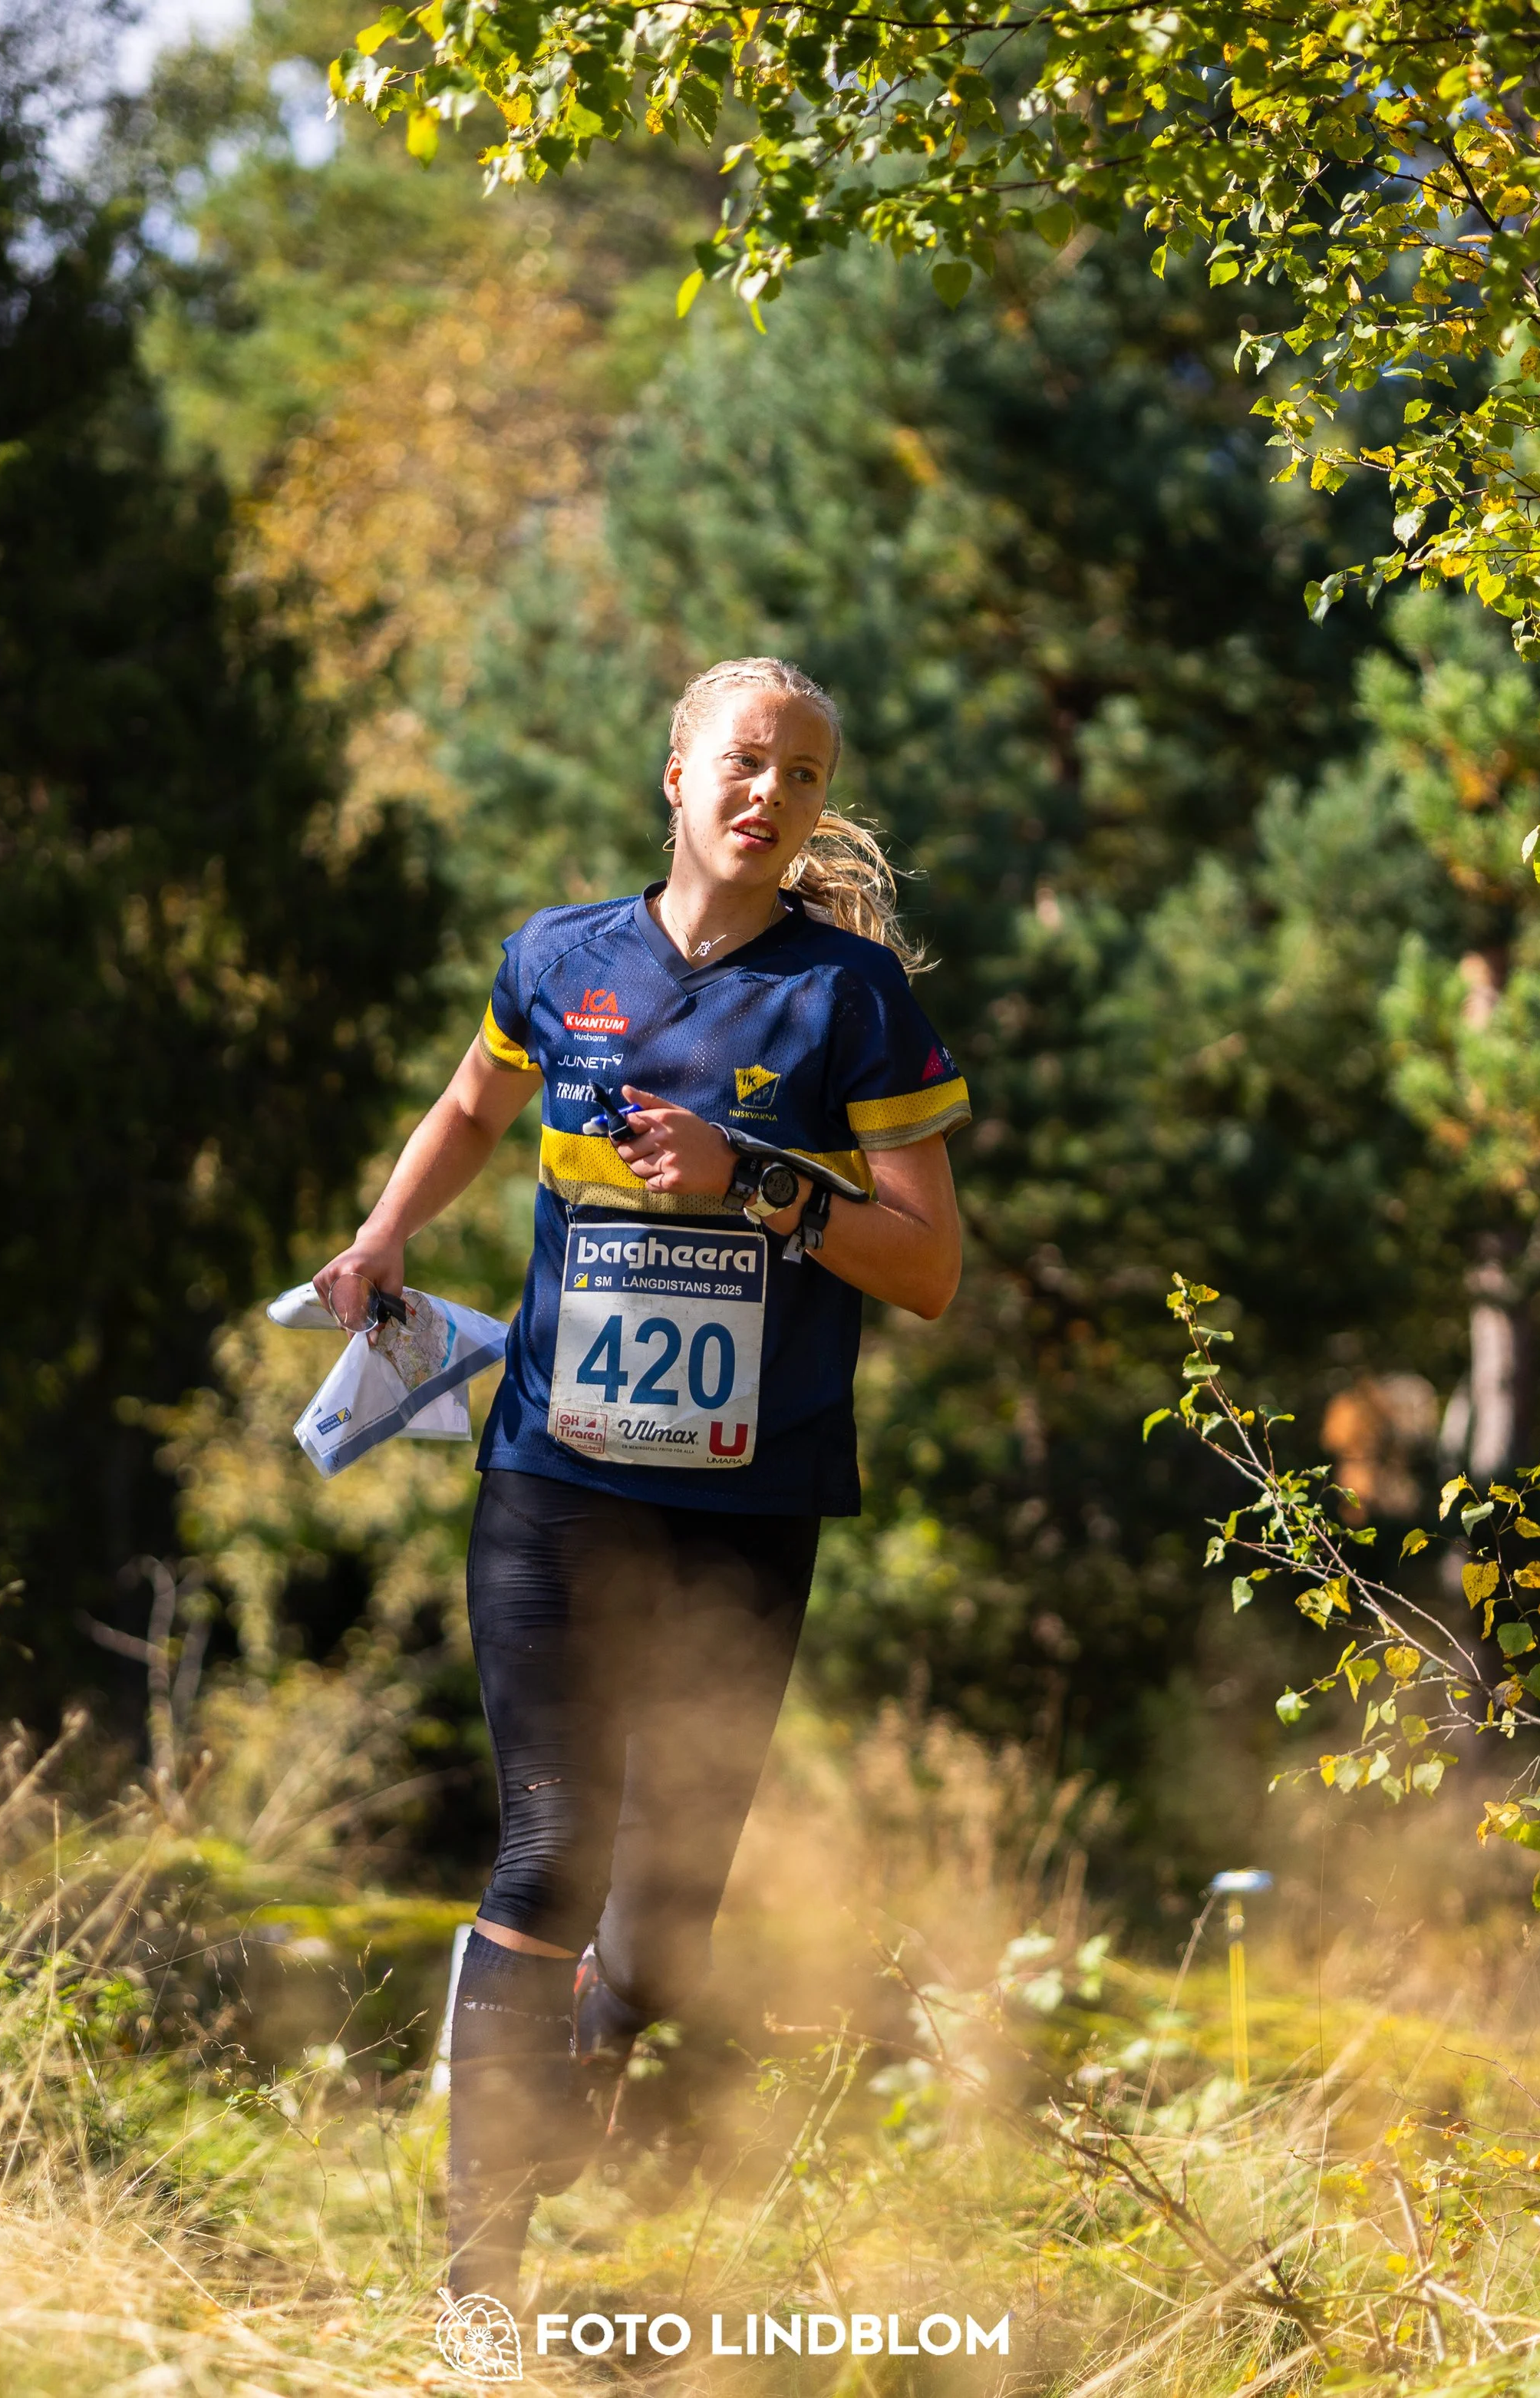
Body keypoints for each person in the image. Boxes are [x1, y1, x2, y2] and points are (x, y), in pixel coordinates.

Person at [312, 656, 969, 2301]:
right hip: (555, 1468)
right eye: (744, 762)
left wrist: (757, 1180)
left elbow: (930, 1266)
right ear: (672, 775)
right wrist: (386, 1234)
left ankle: (579, 2114)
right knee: (548, 1847)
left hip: (748, 1499)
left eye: (805, 775)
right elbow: (473, 1102)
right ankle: (476, 2289)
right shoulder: (557, 956)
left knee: (665, 1921)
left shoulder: (851, 996)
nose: (772, 795)